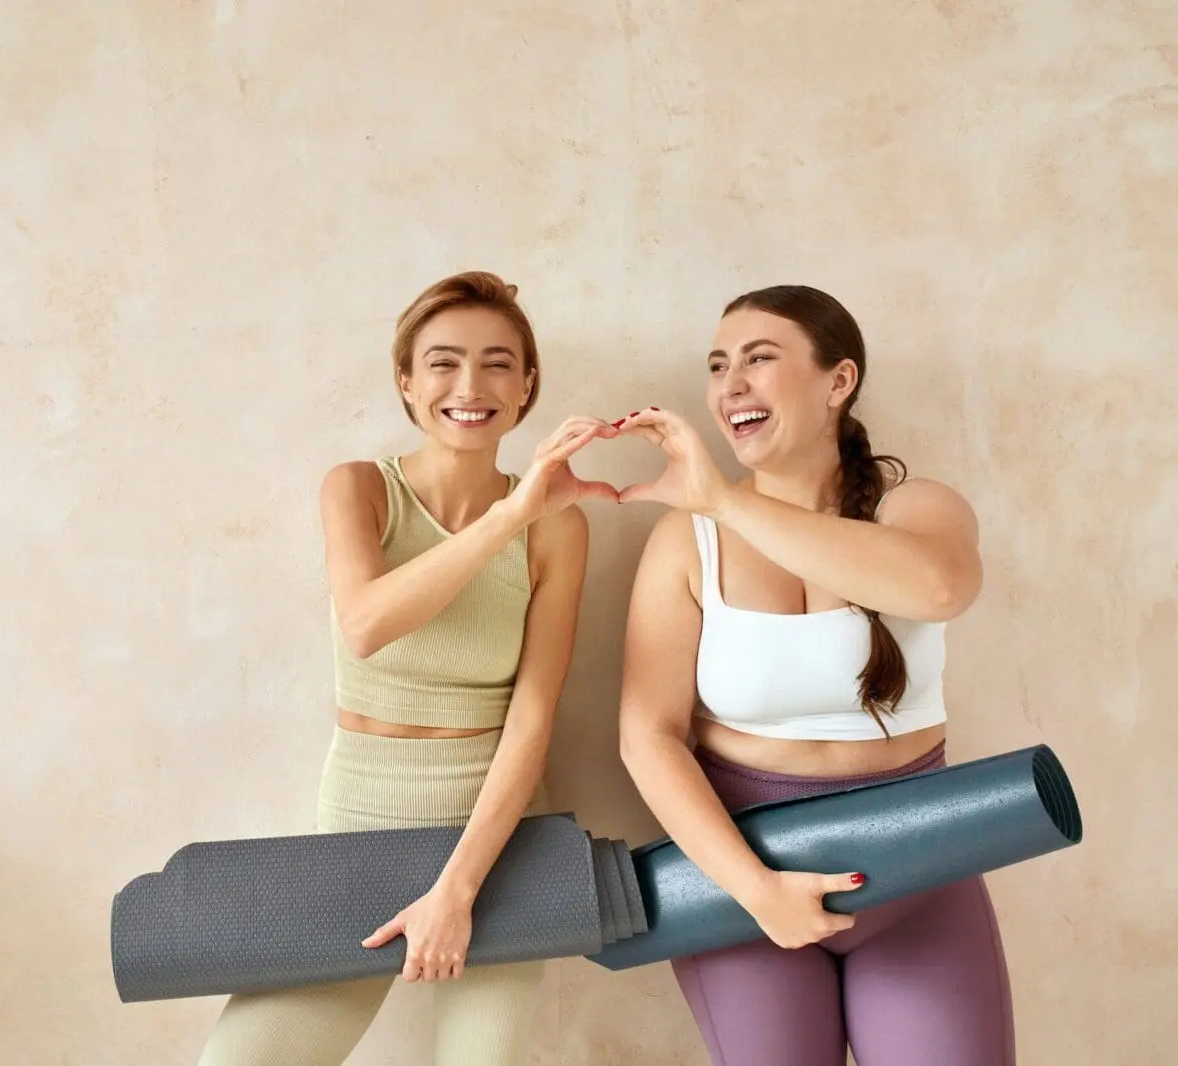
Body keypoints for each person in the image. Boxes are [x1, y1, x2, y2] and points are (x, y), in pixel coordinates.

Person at [196, 271, 617, 1065]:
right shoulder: (359, 488)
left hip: (501, 843)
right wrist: (510, 514)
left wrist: (458, 890)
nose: (470, 385)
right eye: (443, 362)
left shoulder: (562, 530)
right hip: (360, 821)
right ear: (406, 382)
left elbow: (532, 719)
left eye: (498, 363)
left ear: (527, 385)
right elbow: (366, 624)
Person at [612, 284, 1013, 1066]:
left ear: (839, 381)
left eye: (760, 359)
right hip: (740, 891)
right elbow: (647, 735)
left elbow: (940, 588)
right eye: (719, 365)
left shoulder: (913, 507)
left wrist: (725, 501)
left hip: (921, 878)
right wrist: (756, 891)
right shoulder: (683, 544)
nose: (731, 385)